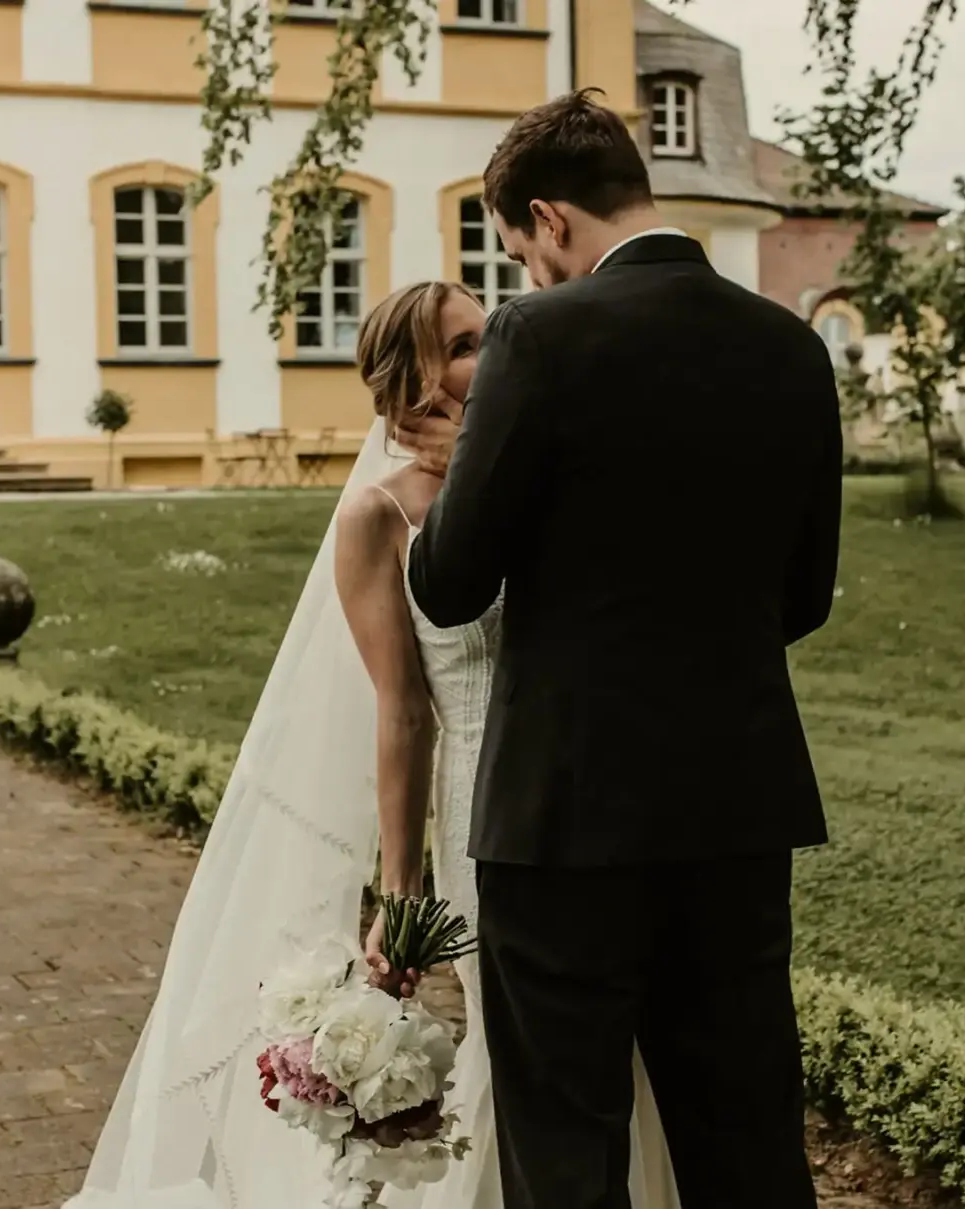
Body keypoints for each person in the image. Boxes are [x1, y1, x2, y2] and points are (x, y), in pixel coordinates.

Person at [65, 280, 680, 1208]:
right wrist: (403, 894)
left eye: (491, 334)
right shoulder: (379, 516)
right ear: (411, 384)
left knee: (618, 1049)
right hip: (488, 809)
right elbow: (403, 710)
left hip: (611, 805)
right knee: (519, 1056)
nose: (497, 351)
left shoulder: (547, 481)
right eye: (468, 344)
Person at [395, 91, 843, 1207]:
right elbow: (802, 594)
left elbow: (451, 588)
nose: (531, 277)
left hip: (565, 815)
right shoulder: (788, 345)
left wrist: (429, 500)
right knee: (746, 1133)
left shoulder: (534, 337)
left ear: (547, 220)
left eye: (521, 254)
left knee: (567, 1140)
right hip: (737, 809)